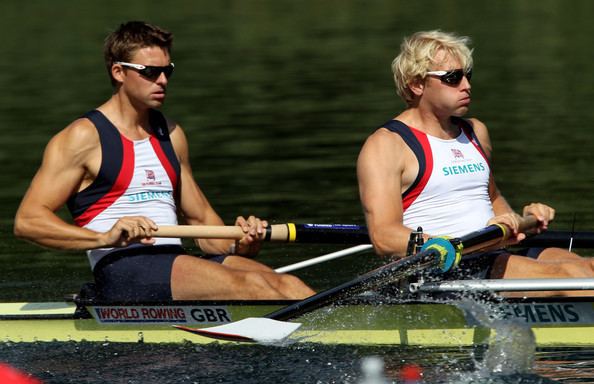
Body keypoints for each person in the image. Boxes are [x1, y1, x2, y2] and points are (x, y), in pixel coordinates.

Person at [13, 21, 315, 302]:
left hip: (174, 261)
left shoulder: (170, 133)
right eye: (149, 72)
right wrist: (104, 236)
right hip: (125, 267)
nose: (162, 81)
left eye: (167, 71)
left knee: (290, 286)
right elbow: (28, 221)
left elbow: (203, 225)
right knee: (258, 288)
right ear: (118, 72)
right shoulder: (82, 137)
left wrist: (241, 241)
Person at [356, 30, 594, 295]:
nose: (466, 85)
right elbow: (384, 236)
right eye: (453, 78)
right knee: (572, 277)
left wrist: (519, 219)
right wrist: (444, 244)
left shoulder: (475, 131)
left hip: (493, 254)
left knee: (589, 269)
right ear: (417, 84)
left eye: (467, 75)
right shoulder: (387, 145)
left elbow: (491, 198)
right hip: (443, 268)